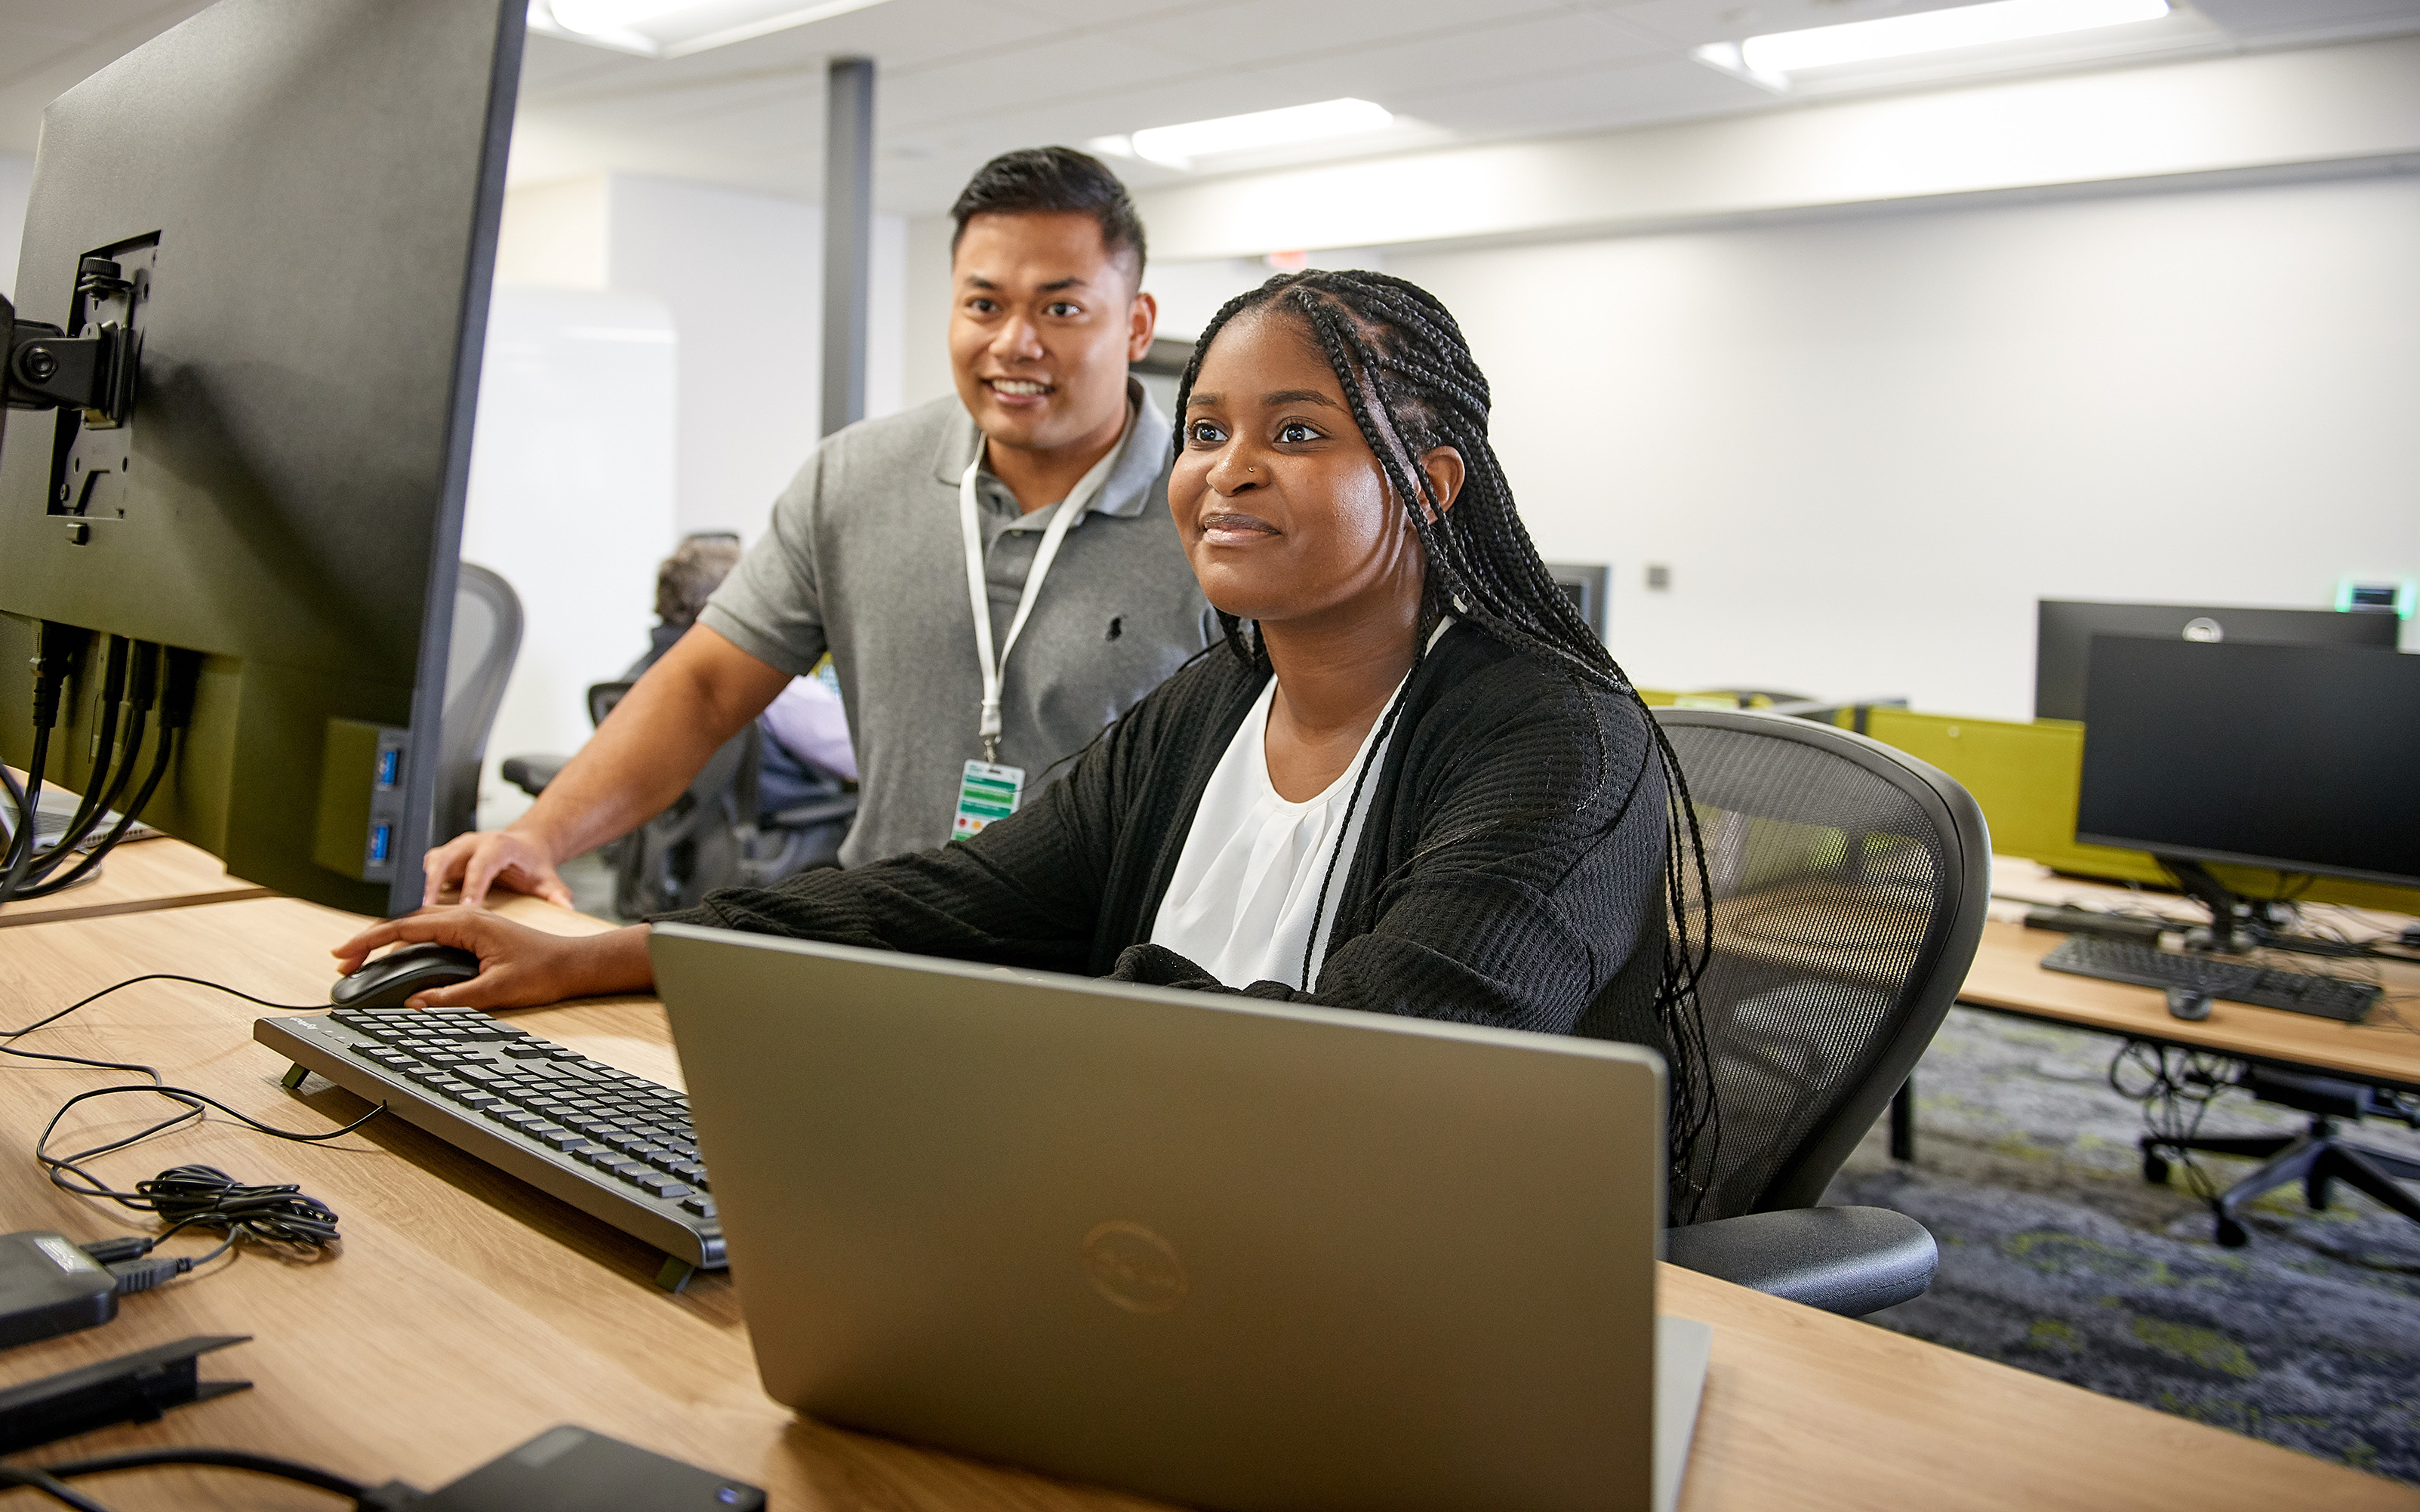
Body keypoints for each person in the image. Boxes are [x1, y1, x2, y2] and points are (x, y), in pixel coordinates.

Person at [341, 269, 1720, 1206]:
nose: (1227, 469)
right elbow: (960, 901)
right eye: (1206, 430)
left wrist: (1056, 1031)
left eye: (1295, 432)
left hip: (1432, 1285)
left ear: (1424, 484)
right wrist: (608, 953)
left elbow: (1387, 1082)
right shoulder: (1214, 703)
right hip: (1162, 1206)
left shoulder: (1556, 740)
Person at [425, 147, 1212, 907]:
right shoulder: (854, 478)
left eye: (1060, 307)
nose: (1013, 341)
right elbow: (702, 688)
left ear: (1137, 324)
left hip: (1107, 966)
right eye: (984, 304)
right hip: (877, 942)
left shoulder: (1216, 509)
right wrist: (536, 834)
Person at [625, 531, 854, 815]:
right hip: (779, 835)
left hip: (673, 841)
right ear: (735, 605)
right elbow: (858, 755)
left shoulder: (635, 678)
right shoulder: (769, 680)